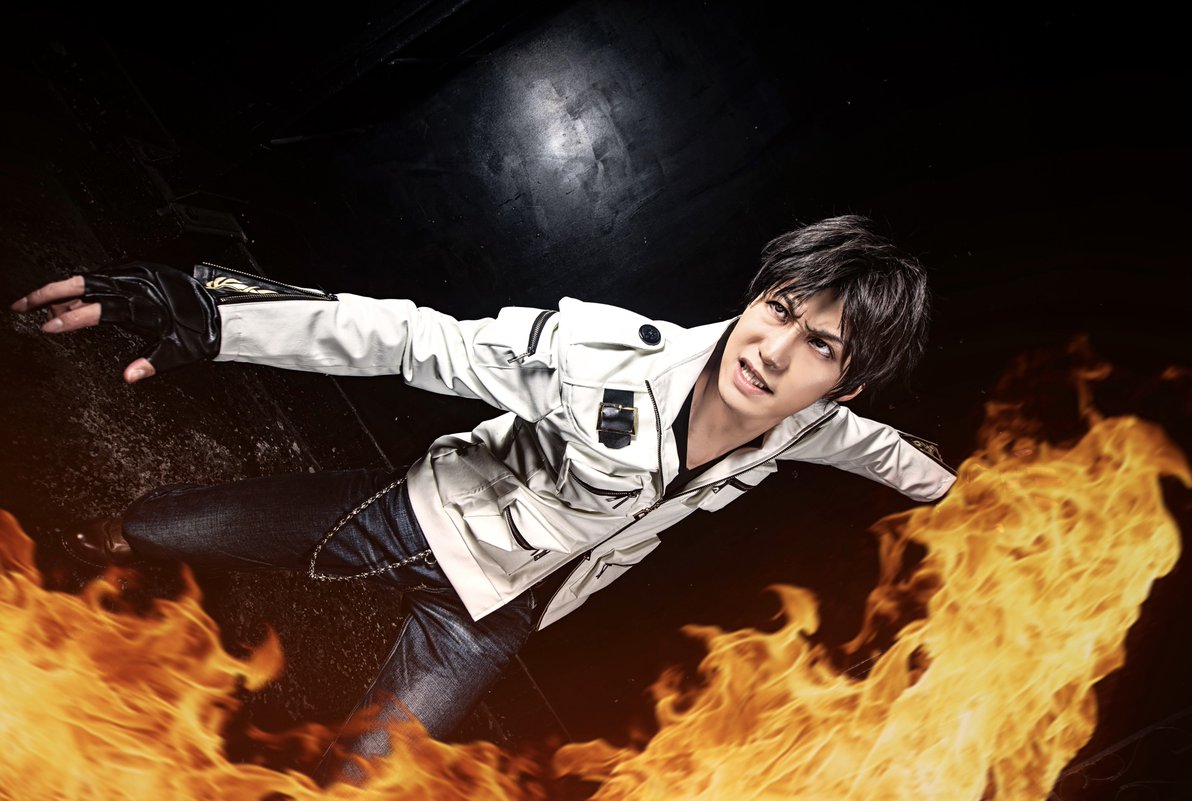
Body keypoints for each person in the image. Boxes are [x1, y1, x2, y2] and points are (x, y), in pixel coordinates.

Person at [9, 214, 957, 784]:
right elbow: (408, 339)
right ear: (756, 298)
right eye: (780, 309)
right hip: (410, 520)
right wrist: (211, 311)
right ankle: (117, 534)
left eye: (820, 346)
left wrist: (984, 510)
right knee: (156, 525)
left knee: (361, 786)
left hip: (493, 618)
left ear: (845, 385)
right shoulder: (600, 355)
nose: (774, 352)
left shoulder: (811, 426)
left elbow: (904, 463)